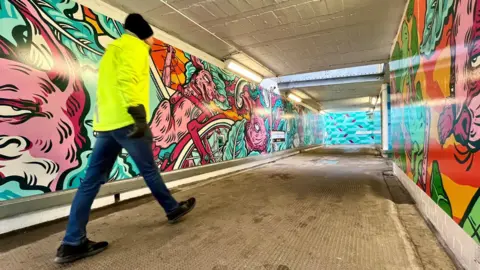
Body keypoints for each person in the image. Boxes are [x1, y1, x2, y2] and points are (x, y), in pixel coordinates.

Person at [54, 13, 196, 264]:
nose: (153, 40)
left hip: (107, 123)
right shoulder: (136, 47)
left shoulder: (112, 50)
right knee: (150, 170)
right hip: (128, 122)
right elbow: (127, 80)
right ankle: (172, 209)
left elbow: (106, 86)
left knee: (90, 181)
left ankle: (72, 242)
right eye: (151, 35)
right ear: (143, 32)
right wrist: (139, 115)